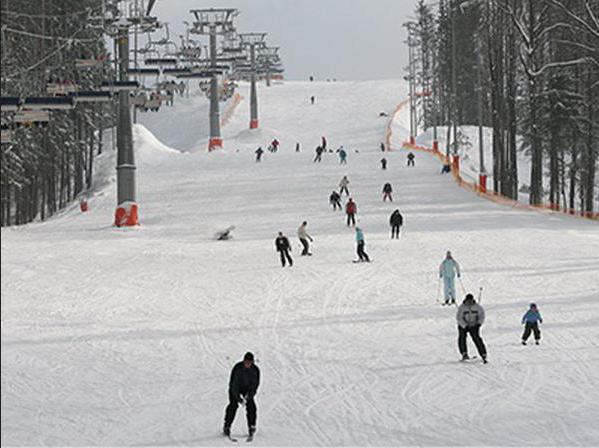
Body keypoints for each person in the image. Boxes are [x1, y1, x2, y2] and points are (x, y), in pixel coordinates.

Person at [223, 352, 260, 438]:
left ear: (252, 362)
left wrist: (248, 397)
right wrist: (239, 399)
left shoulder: (255, 370)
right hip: (235, 389)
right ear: (243, 361)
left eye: (249, 363)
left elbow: (254, 385)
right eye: (246, 362)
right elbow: (234, 385)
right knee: (233, 405)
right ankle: (227, 425)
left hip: (247, 390)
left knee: (251, 406)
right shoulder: (237, 368)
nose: (247, 364)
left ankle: (252, 426)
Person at [456, 294, 487, 363]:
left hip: (474, 325)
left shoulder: (478, 307)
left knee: (476, 338)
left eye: (470, 301)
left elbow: (482, 316)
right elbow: (459, 318)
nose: (469, 303)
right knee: (462, 337)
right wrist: (464, 325)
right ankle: (464, 353)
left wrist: (478, 324)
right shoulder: (462, 307)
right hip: (464, 325)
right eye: (468, 301)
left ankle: (483, 354)